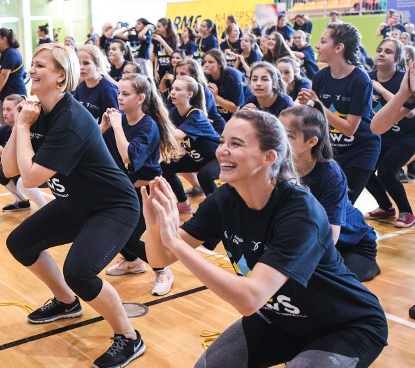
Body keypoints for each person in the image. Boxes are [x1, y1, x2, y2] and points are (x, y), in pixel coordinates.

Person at [143, 110, 388, 368]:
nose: (222, 151)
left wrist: (175, 242)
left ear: (268, 157)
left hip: (345, 325)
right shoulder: (223, 200)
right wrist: (155, 225)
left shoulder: (301, 212)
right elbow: (159, 258)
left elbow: (249, 299)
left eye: (235, 144)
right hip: (279, 319)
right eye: (222, 141)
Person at [2, 43, 145, 368]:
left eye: (41, 65)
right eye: (33, 64)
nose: (32, 70)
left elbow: (32, 178)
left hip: (113, 207)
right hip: (75, 203)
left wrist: (23, 127)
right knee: (20, 243)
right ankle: (66, 302)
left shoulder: (71, 119)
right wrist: (19, 125)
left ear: (61, 76)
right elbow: (10, 169)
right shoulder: (38, 111)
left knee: (79, 272)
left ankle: (129, 337)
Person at [280, 102, 381, 281]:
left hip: (353, 245)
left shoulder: (330, 174)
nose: (278, 140)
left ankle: (368, 265)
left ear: (311, 141)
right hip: (313, 240)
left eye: (288, 135)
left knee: (321, 283)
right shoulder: (279, 165)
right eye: (277, 132)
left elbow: (331, 237)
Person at [101, 73, 180, 296]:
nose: (119, 98)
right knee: (115, 231)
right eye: (119, 93)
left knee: (126, 235)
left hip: (149, 192)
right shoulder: (121, 120)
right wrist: (104, 127)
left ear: (140, 98)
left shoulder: (148, 126)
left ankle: (163, 270)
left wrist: (116, 126)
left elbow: (128, 157)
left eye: (126, 94)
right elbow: (96, 144)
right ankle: (133, 261)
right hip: (127, 190)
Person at [298, 23, 379, 204]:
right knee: (318, 201)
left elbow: (350, 129)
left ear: (339, 47)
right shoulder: (320, 77)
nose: (317, 46)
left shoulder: (360, 79)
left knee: (343, 206)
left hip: (361, 150)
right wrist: (304, 105)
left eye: (323, 41)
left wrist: (319, 105)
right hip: (332, 149)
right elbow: (316, 118)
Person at [364, 38, 415, 228]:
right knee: (365, 169)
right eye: (379, 50)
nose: (382, 54)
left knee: (386, 172)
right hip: (382, 135)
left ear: (398, 58)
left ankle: (407, 212)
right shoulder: (366, 76)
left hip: (407, 136)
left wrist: (380, 89)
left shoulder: (406, 78)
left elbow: (409, 112)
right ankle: (385, 207)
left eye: (388, 51)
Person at [0, 94, 47, 211]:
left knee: (20, 179)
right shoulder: (5, 129)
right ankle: (21, 202)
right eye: (3, 109)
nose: (4, 113)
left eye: (9, 109)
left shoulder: (28, 128)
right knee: (0, 172)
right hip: (19, 168)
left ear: (19, 111)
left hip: (36, 168)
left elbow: (0, 152)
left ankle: (44, 207)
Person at [161, 76, 220, 214]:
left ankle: (218, 209)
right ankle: (183, 204)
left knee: (204, 176)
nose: (173, 92)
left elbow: (175, 135)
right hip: (198, 158)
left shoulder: (196, 115)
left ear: (190, 94)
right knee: (165, 167)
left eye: (178, 89)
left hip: (218, 157)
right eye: (173, 88)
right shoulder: (175, 113)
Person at [74, 44, 119, 123]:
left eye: (86, 63)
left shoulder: (107, 90)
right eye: (78, 63)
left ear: (97, 65)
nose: (81, 67)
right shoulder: (80, 86)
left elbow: (115, 121)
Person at [0, 28, 27, 127]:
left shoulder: (11, 53)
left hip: (14, 94)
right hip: (5, 93)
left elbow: (4, 76)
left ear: (4, 39)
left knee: (11, 125)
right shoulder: (2, 53)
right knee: (2, 124)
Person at [203, 49, 245, 123]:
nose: (206, 65)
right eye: (205, 62)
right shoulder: (205, 75)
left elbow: (235, 108)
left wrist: (215, 97)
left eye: (210, 62)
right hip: (223, 107)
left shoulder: (232, 77)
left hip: (244, 103)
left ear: (219, 64)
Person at [151, 18, 179, 82]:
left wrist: (161, 40)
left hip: (170, 68)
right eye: (156, 26)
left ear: (165, 27)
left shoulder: (173, 37)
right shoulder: (156, 38)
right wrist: (155, 71)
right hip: (160, 68)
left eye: (159, 26)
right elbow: (156, 56)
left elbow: (172, 53)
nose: (157, 28)